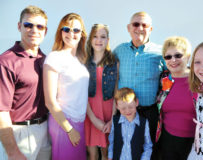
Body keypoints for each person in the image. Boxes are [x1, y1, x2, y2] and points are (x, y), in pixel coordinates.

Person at [113, 11, 166, 159]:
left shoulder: (160, 53)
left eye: (145, 25)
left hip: (149, 113)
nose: (140, 28)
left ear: (151, 29)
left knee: (148, 151)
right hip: (124, 112)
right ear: (129, 27)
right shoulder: (119, 51)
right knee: (124, 150)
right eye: (136, 24)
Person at [0, 5, 51, 160]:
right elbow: (2, 112)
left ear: (45, 31)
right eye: (28, 25)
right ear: (19, 26)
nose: (34, 30)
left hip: (45, 130)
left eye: (39, 26)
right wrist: (12, 151)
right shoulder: (7, 61)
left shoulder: (46, 59)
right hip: (20, 133)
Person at [43, 13, 89, 160]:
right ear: (60, 32)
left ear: (81, 34)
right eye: (66, 29)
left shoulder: (80, 60)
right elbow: (50, 102)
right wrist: (69, 130)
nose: (71, 33)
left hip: (80, 123)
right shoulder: (54, 57)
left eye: (76, 30)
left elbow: (82, 96)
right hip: (64, 124)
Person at [156, 36, 196, 160]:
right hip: (167, 140)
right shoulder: (164, 80)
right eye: (168, 57)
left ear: (188, 56)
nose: (173, 60)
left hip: (194, 142)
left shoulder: (198, 80)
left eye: (178, 55)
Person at [85, 24, 118, 160]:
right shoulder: (84, 62)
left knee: (106, 153)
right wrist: (93, 118)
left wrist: (112, 119)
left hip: (108, 112)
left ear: (108, 40)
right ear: (90, 39)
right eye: (95, 36)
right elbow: (82, 94)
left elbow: (116, 91)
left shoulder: (114, 62)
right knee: (92, 154)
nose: (99, 40)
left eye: (103, 37)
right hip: (89, 111)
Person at [108, 87, 152, 160]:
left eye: (130, 107)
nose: (127, 111)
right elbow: (112, 141)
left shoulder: (143, 122)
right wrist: (110, 156)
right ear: (117, 106)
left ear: (136, 102)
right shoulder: (115, 121)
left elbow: (148, 145)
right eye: (123, 108)